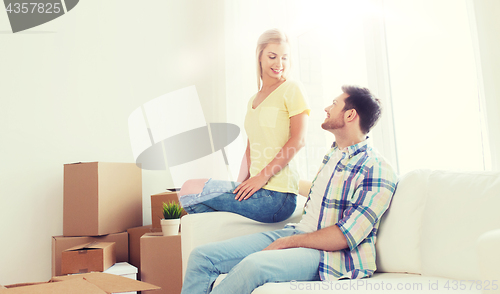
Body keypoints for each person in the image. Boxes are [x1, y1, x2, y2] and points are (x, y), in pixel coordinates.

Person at [180, 85, 399, 294]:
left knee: (255, 266)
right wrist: (268, 182)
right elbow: (321, 194)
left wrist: (288, 242)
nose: (326, 108)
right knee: (202, 257)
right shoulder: (335, 154)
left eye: (334, 104)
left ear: (350, 115)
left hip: (331, 256)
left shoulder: (377, 169)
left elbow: (344, 236)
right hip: (298, 233)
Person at [178, 28, 310, 223]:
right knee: (187, 195)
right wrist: (238, 186)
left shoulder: (292, 88)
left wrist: (261, 178)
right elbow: (251, 148)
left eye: (284, 58)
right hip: (258, 189)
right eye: (272, 56)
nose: (279, 64)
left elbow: (298, 140)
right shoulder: (253, 101)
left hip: (277, 196)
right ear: (260, 56)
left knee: (190, 188)